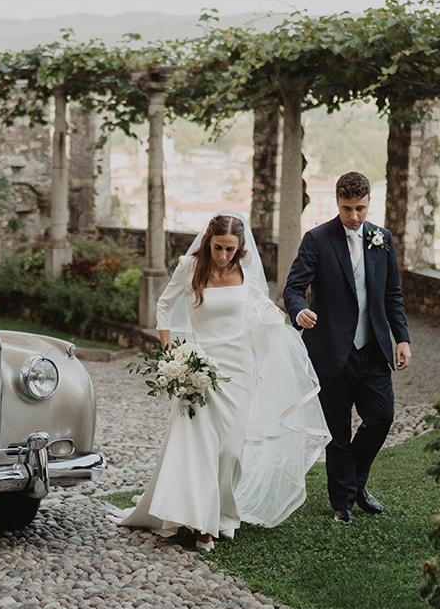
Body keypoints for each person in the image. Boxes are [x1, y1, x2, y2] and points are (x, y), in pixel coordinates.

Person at [117, 213, 327, 552]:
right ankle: (203, 524)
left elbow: (260, 307)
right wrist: (170, 351)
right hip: (199, 370)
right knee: (199, 449)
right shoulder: (189, 267)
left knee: (230, 451)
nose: (223, 255)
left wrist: (284, 317)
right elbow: (164, 306)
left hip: (239, 371)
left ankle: (223, 514)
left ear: (240, 246)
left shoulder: (244, 271)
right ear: (208, 241)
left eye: (230, 249)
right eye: (218, 247)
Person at [282, 172, 412, 524]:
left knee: (381, 418)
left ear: (369, 202)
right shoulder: (317, 240)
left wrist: (402, 338)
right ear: (336, 203)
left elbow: (392, 295)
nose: (354, 216)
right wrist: (299, 310)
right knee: (337, 434)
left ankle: (355, 482)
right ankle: (343, 504)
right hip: (330, 353)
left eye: (360, 208)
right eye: (347, 208)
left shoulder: (381, 239)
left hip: (372, 350)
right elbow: (293, 288)